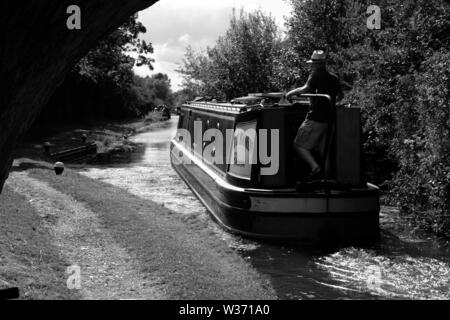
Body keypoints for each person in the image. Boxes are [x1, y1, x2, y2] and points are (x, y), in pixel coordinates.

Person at [286, 50, 344, 179]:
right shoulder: (334, 78)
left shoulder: (315, 75)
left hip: (315, 119)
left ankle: (315, 168)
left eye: (312, 63)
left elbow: (305, 89)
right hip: (329, 120)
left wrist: (290, 93)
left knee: (299, 145)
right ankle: (326, 182)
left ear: (317, 64)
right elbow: (340, 96)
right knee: (325, 153)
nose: (311, 66)